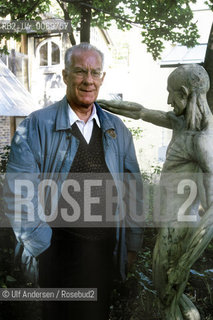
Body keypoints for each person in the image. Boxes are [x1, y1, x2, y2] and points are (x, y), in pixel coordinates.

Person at [4, 43, 143, 320]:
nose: (88, 80)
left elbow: (132, 190)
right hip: (55, 250)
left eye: (95, 72)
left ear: (102, 78)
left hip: (102, 251)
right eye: (80, 71)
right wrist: (40, 246)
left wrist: (132, 243)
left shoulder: (117, 130)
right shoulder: (36, 126)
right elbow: (18, 193)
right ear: (66, 75)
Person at [98, 64, 213, 319]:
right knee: (170, 297)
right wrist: (98, 102)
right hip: (170, 227)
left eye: (171, 93)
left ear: (184, 92)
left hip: (178, 230)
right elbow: (141, 112)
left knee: (167, 299)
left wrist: (184, 264)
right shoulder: (182, 123)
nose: (168, 100)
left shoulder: (202, 140)